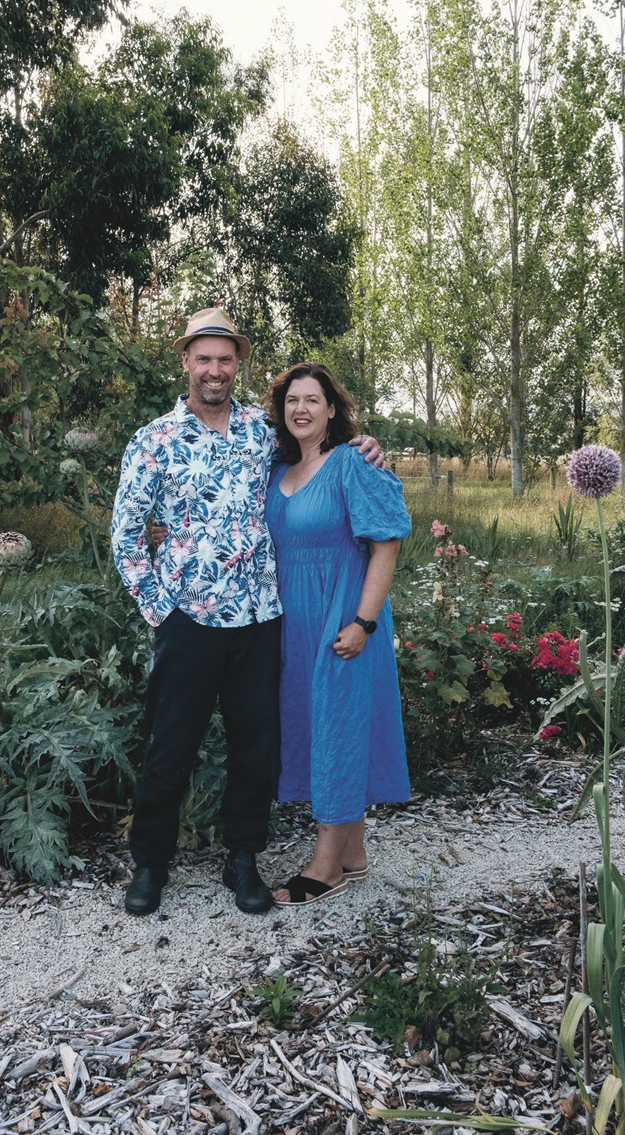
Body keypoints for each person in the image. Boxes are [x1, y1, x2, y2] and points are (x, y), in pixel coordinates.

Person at [111, 308, 383, 917]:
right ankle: (151, 865)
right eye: (203, 358)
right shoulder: (154, 440)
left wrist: (367, 447)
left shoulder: (263, 432)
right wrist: (163, 610)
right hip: (188, 619)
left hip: (261, 617)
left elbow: (321, 457)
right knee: (170, 746)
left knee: (253, 748)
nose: (214, 370)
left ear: (239, 364)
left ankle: (243, 860)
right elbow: (126, 535)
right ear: (185, 362)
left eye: (225, 359)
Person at [264, 362, 412, 906]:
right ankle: (353, 854)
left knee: (338, 728)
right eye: (291, 401)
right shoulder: (277, 469)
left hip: (342, 615)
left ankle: (324, 867)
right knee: (315, 723)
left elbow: (387, 543)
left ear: (332, 409)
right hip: (295, 620)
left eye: (312, 399)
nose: (300, 409)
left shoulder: (353, 462)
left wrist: (365, 622)